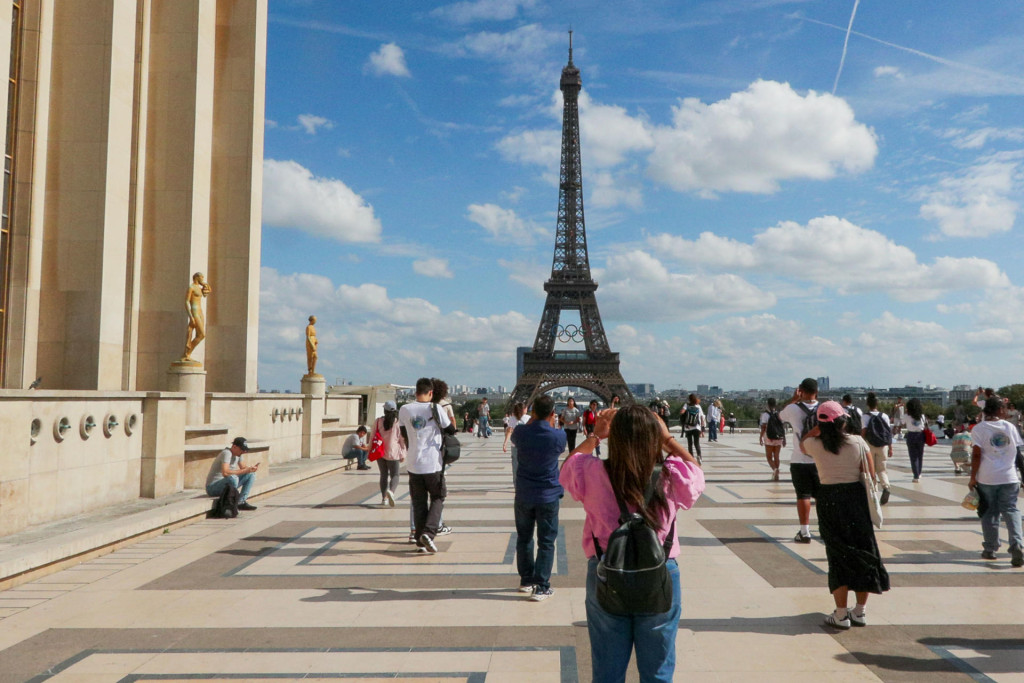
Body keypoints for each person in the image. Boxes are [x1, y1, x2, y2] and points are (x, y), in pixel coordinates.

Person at [560, 404, 704, 682]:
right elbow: (697, 474)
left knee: (607, 672)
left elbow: (568, 467)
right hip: (660, 573)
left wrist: (595, 435)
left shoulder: (590, 472)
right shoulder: (671, 474)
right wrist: (667, 439)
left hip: (607, 571)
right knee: (658, 672)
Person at [800, 402, 890, 629]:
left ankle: (840, 614)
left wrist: (818, 429)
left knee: (837, 553)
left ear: (820, 424)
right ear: (843, 421)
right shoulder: (858, 442)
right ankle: (859, 611)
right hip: (855, 497)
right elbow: (868, 472)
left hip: (829, 499)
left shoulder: (814, 444)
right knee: (862, 549)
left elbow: (803, 444)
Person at [511, 394, 567, 601]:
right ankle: (542, 585)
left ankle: (526, 580)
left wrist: (534, 418)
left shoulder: (520, 433)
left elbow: (520, 434)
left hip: (524, 493)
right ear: (553, 414)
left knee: (524, 538)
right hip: (548, 494)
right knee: (546, 542)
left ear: (533, 412)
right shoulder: (558, 436)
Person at [399, 377, 455, 553]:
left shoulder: (404, 409)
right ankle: (429, 533)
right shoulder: (436, 408)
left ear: (415, 392)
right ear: (430, 393)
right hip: (432, 463)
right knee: (438, 497)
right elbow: (451, 429)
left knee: (419, 502)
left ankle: (419, 539)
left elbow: (403, 433)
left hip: (413, 463)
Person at [969, 396, 1024, 567]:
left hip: (987, 477)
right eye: (1004, 408)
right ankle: (1016, 545)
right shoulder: (1010, 427)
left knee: (989, 512)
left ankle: (991, 548)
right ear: (999, 410)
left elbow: (977, 455)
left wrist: (973, 477)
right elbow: (1017, 453)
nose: (1006, 411)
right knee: (1011, 510)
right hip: (1009, 477)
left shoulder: (979, 429)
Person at [779, 378, 821, 543]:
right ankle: (825, 529)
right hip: (821, 460)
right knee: (822, 496)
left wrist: (794, 399)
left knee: (803, 495)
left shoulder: (792, 408)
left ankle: (805, 531)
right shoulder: (824, 409)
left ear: (800, 391)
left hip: (799, 459)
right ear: (817, 391)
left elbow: (780, 417)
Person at [205, 436, 258, 511]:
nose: (243, 452)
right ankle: (231, 502)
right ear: (234, 446)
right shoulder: (227, 453)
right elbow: (225, 473)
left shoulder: (238, 455)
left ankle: (241, 502)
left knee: (251, 475)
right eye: (242, 449)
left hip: (228, 483)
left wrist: (251, 469)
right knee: (233, 478)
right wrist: (245, 470)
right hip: (213, 487)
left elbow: (243, 468)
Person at [860, 392, 893, 504]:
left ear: (868, 404)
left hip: (870, 445)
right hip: (883, 445)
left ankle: (873, 492)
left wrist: (861, 442)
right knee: (882, 469)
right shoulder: (884, 416)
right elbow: (888, 433)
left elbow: (864, 431)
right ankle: (886, 486)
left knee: (870, 469)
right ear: (877, 404)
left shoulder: (865, 416)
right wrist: (890, 447)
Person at [374, 401, 406, 506]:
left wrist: (370, 449)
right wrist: (403, 453)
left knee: (383, 475)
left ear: (384, 410)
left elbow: (372, 436)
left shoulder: (378, 421)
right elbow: (402, 439)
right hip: (393, 452)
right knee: (395, 475)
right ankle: (391, 492)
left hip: (380, 451)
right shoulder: (397, 422)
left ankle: (384, 499)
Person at [183, 272, 212, 361]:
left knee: (200, 335)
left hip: (200, 311)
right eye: (201, 277)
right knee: (202, 334)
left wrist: (204, 284)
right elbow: (187, 301)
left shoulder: (199, 288)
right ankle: (187, 353)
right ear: (196, 277)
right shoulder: (191, 287)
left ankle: (187, 353)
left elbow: (208, 291)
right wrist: (190, 316)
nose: (202, 279)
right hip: (194, 311)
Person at [502, 402, 529, 487]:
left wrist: (505, 443)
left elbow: (509, 431)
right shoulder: (529, 418)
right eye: (526, 408)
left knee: (515, 466)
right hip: (526, 446)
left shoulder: (512, 419)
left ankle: (516, 484)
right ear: (524, 409)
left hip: (515, 445)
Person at [759, 397, 784, 481]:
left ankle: (775, 469)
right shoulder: (779, 414)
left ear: (768, 404)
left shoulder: (765, 415)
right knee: (777, 456)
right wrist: (784, 438)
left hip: (769, 437)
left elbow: (763, 427)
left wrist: (760, 437)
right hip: (778, 438)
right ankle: (776, 472)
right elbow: (782, 427)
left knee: (769, 457)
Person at [903, 398, 928, 483]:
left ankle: (916, 475)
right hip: (921, 435)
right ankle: (919, 473)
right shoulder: (922, 416)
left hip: (911, 435)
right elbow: (925, 425)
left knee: (913, 457)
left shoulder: (907, 416)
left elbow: (902, 422)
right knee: (920, 455)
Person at [681, 394, 706, 465]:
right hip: (697, 427)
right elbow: (701, 417)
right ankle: (699, 456)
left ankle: (691, 458)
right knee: (697, 443)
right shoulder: (698, 406)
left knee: (690, 444)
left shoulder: (686, 405)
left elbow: (681, 412)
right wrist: (702, 427)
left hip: (688, 427)